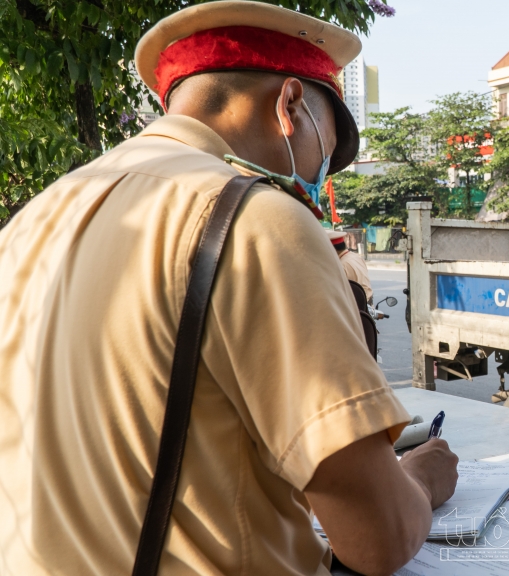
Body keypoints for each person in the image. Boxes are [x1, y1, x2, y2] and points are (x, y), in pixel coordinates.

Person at [0, 3, 458, 575]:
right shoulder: (255, 219)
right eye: (327, 149)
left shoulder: (32, 220)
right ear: (291, 105)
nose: (320, 182)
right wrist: (418, 480)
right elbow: (379, 537)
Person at [328, 229, 375, 306]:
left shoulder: (341, 266)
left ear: (331, 249)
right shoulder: (355, 257)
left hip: (356, 309)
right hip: (367, 305)